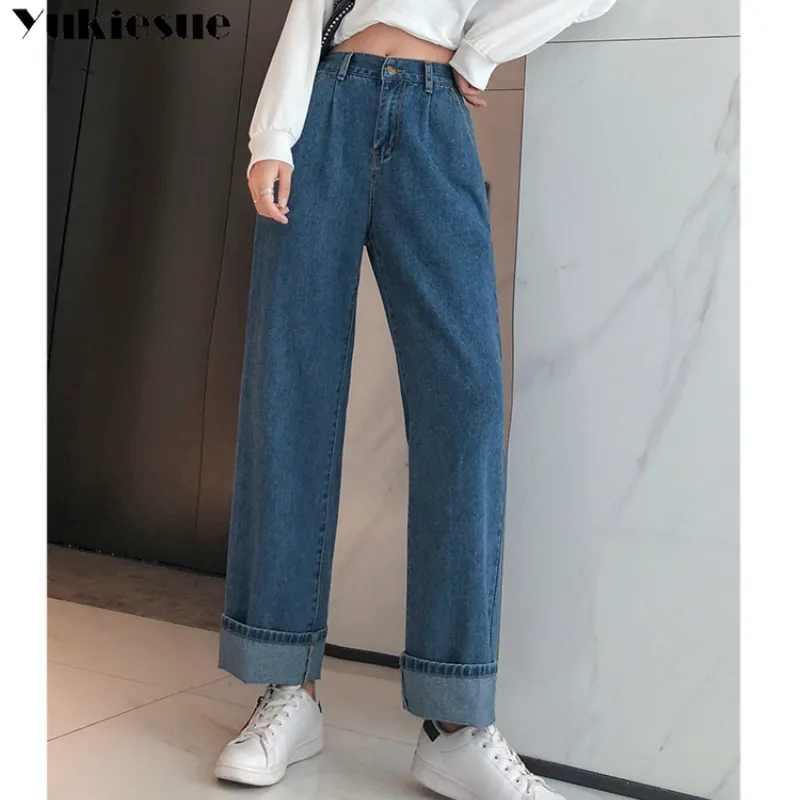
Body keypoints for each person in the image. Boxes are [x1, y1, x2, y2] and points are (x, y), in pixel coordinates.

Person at [214, 1, 617, 798]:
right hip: (326, 105)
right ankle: (288, 688)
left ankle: (455, 723)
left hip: (435, 119)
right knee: (289, 396)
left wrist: (481, 51)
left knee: (466, 408)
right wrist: (273, 137)